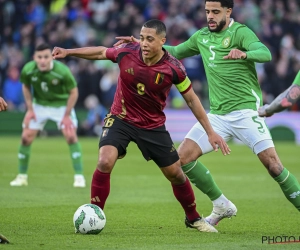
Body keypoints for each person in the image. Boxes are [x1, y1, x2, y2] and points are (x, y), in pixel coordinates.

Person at [114, 0, 300, 222]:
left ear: (228, 11)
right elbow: (175, 51)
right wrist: (142, 43)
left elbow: (265, 53)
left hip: (245, 113)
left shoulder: (240, 32)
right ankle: (221, 205)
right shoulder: (202, 36)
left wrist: (244, 54)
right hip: (217, 116)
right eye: (207, 11)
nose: (210, 16)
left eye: (215, 12)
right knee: (181, 159)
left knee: (274, 166)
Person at [52, 19, 231, 232]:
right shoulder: (127, 51)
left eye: (150, 39)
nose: (144, 43)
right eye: (142, 37)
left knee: (175, 173)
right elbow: (101, 52)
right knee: (104, 161)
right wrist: (68, 52)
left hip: (152, 126)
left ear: (162, 41)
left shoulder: (174, 68)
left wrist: (210, 132)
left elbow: (192, 99)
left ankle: (193, 218)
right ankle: (94, 214)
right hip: (121, 118)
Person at [10, 43, 86, 188]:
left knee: (71, 136)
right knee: (26, 137)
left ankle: (79, 177)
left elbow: (74, 92)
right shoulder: (28, 69)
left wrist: (66, 115)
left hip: (62, 105)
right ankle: (21, 177)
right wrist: (30, 109)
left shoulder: (62, 71)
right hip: (39, 105)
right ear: (34, 58)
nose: (43, 60)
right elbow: (25, 86)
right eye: (39, 57)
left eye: (46, 57)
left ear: (52, 58)